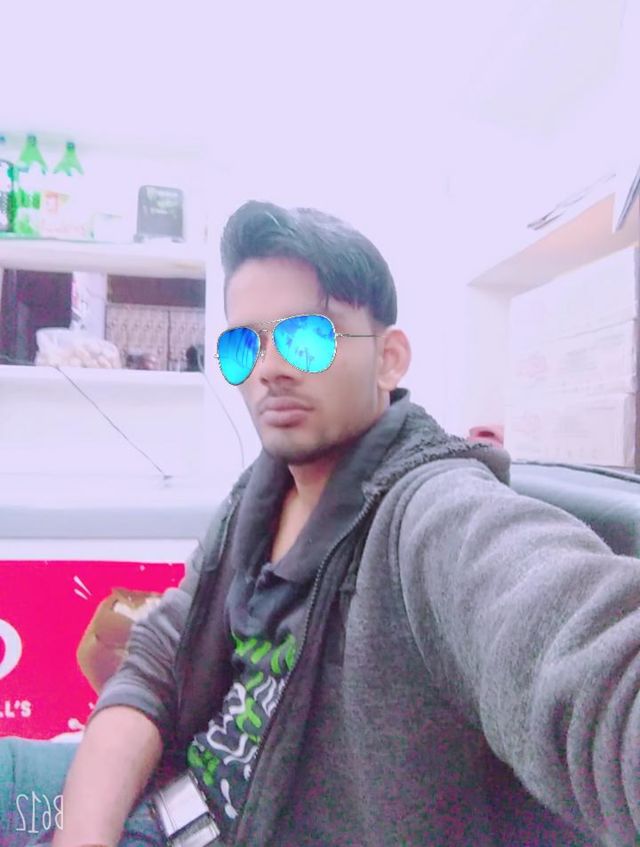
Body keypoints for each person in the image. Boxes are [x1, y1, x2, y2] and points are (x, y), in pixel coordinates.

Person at [2, 201, 640, 847]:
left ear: (389, 359)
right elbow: (159, 661)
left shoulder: (431, 515)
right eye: (244, 345)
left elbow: (585, 664)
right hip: (165, 792)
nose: (269, 368)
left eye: (305, 337)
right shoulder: (257, 497)